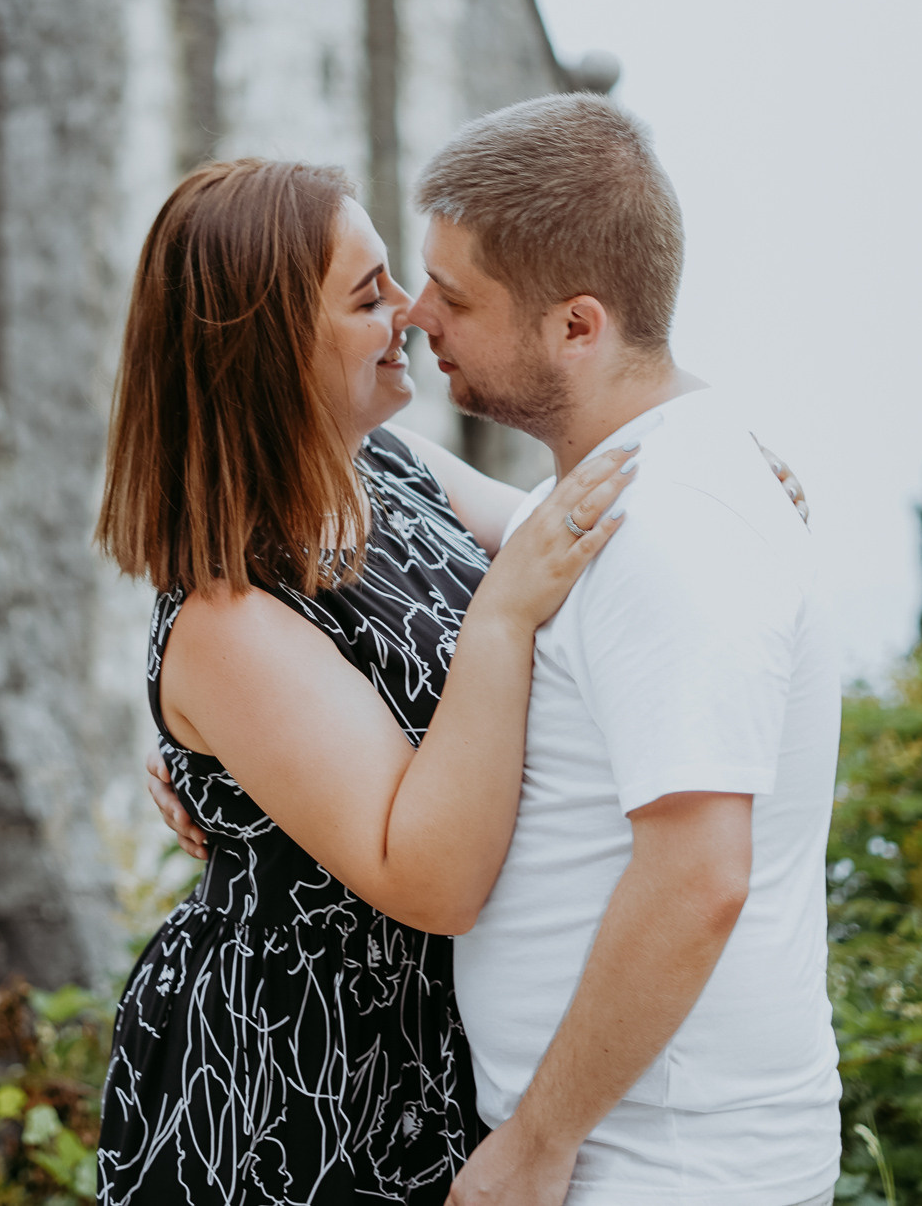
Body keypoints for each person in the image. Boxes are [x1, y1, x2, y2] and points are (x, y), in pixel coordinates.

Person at [94, 157, 643, 1206]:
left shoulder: (388, 466)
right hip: (295, 1092)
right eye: (368, 294)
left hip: (426, 1052)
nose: (412, 309)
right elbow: (430, 877)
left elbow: (576, 529)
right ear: (267, 351)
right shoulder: (228, 617)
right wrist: (505, 611)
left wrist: (718, 473)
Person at [407, 95, 842, 1206]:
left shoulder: (672, 527)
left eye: (453, 295)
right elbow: (474, 510)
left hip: (662, 1166)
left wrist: (539, 1140)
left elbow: (699, 875)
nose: (418, 315)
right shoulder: (610, 487)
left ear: (577, 325)